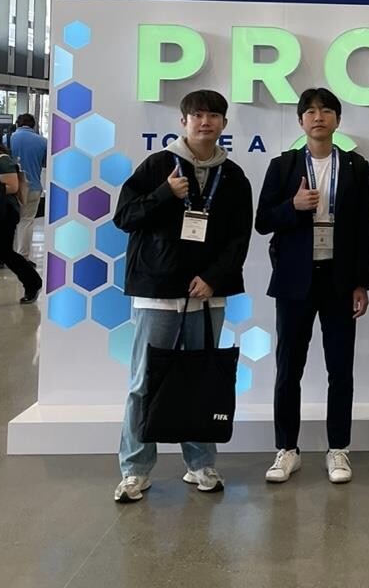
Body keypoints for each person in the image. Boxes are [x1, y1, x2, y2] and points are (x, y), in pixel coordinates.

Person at [112, 90, 253, 504]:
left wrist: (213, 278)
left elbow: (239, 237)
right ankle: (135, 470)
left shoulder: (234, 176)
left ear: (224, 124)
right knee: (144, 382)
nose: (205, 122)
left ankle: (200, 464)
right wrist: (164, 194)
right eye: (197, 115)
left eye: (214, 115)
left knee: (201, 378)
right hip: (158, 293)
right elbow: (125, 217)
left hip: (207, 296)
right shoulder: (157, 165)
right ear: (183, 121)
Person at [255, 88, 369, 485]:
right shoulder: (283, 165)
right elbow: (263, 221)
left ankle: (338, 449)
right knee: (289, 368)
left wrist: (361, 283)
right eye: (310, 111)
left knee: (341, 369)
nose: (318, 117)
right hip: (295, 281)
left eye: (325, 111)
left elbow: (362, 230)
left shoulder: (355, 166)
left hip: (339, 281)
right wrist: (293, 206)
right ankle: (287, 449)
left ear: (337, 119)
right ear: (300, 121)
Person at [0, 122, 42, 303]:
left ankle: (33, 282)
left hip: (0, 216)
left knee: (6, 253)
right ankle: (33, 282)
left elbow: (12, 187)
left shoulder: (1, 160)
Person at [9, 113, 47, 263]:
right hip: (33, 186)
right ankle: (22, 257)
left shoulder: (7, 139)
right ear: (34, 125)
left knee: (8, 221)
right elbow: (46, 163)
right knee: (26, 220)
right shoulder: (43, 142)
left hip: (10, 188)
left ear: (17, 124)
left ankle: (5, 255)